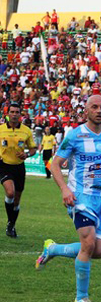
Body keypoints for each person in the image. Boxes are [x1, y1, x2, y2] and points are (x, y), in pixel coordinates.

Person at [35, 95, 101, 302]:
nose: (99, 111)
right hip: (80, 197)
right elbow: (55, 165)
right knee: (88, 243)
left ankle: (52, 249)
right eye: (94, 107)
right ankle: (81, 298)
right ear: (86, 111)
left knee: (98, 250)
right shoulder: (75, 135)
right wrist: (65, 189)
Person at [0, 101, 37, 237]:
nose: (14, 115)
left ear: (20, 114)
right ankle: (11, 223)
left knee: (16, 200)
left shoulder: (26, 130)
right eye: (12, 112)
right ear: (7, 114)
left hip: (19, 167)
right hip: (4, 165)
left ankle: (11, 224)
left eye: (17, 112)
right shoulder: (1, 129)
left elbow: (33, 148)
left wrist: (26, 154)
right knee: (10, 192)